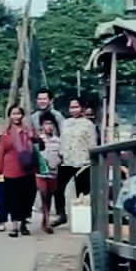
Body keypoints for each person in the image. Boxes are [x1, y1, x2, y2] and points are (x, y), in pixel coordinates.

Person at [0, 104, 38, 237]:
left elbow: (36, 147)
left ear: (22, 116)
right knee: (13, 199)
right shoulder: (6, 133)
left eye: (18, 114)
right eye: (13, 114)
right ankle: (15, 227)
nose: (16, 116)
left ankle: (24, 224)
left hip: (27, 170)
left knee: (28, 198)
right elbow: (1, 152)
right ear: (9, 116)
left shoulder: (28, 131)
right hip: (11, 171)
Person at [54, 96, 97, 229]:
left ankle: (84, 221)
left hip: (82, 162)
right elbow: (62, 140)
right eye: (71, 107)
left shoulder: (88, 125)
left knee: (82, 193)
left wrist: (91, 160)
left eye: (76, 107)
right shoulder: (65, 123)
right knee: (58, 188)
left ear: (82, 109)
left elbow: (92, 143)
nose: (73, 110)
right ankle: (61, 214)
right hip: (66, 161)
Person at [35, 115, 62, 233]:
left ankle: (44, 220)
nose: (49, 127)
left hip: (53, 173)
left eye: (51, 124)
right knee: (43, 194)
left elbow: (62, 156)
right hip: (40, 173)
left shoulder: (58, 141)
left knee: (49, 197)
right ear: (42, 126)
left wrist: (56, 162)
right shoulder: (38, 139)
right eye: (46, 124)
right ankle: (47, 222)